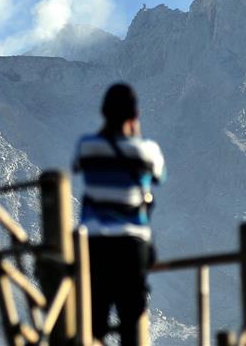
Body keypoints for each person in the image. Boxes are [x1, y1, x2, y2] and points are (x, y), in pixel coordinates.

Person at [73, 83, 166, 346]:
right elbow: (159, 175)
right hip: (131, 248)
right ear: (134, 115)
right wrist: (136, 136)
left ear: (104, 113)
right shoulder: (147, 151)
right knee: (132, 322)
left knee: (94, 323)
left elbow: (78, 166)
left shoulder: (87, 147)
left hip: (94, 247)